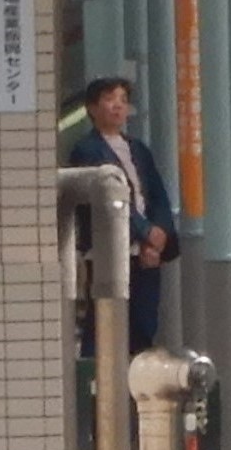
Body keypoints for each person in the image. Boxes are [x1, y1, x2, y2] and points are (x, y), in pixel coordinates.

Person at [65, 75, 178, 348]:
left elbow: (158, 196)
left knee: (144, 323)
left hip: (147, 253)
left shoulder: (138, 149)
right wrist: (146, 232)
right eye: (109, 99)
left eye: (123, 101)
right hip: (111, 249)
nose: (117, 106)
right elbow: (110, 201)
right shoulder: (87, 149)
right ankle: (100, 381)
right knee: (105, 322)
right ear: (92, 108)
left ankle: (135, 384)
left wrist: (159, 234)